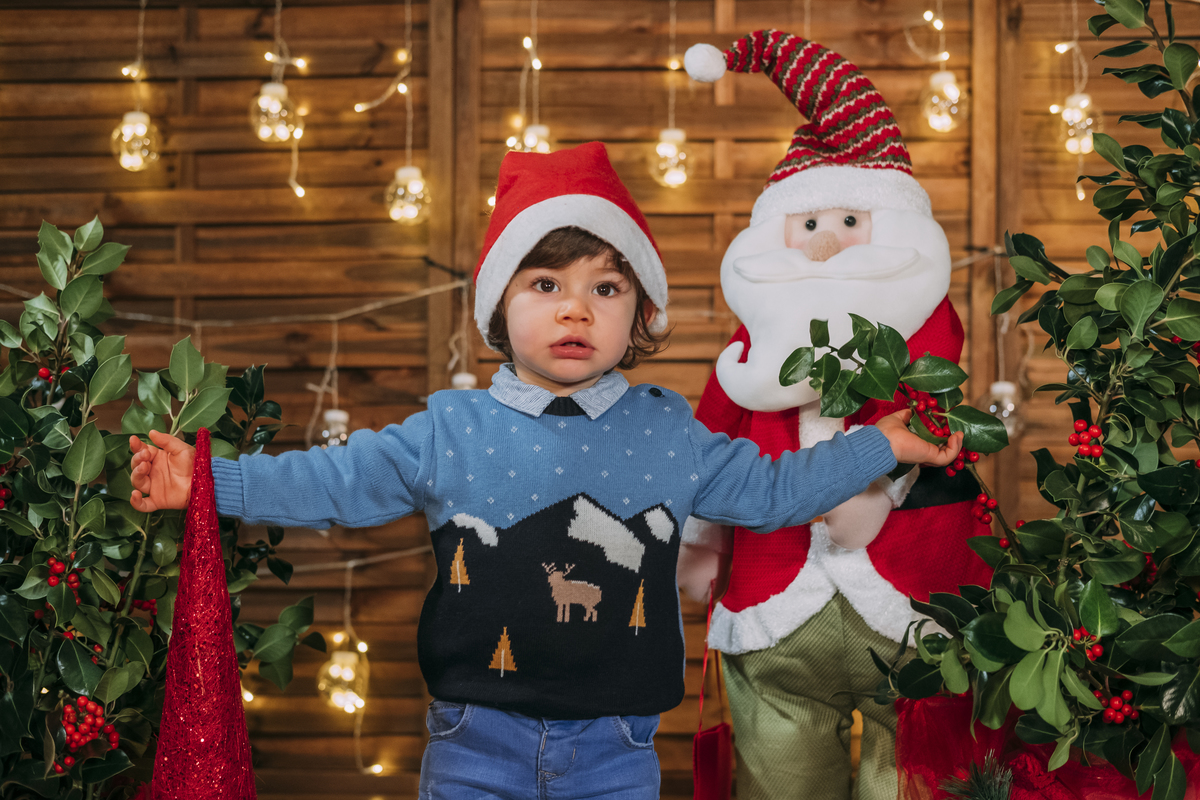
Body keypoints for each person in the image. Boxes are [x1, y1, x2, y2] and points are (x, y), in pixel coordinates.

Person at [128, 142, 962, 800]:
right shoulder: (449, 429)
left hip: (619, 749)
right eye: (545, 283)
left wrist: (878, 446)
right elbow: (333, 485)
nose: (576, 307)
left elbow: (775, 492)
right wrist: (208, 483)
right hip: (471, 740)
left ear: (638, 313)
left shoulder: (667, 428)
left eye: (606, 287)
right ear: (500, 306)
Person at [677, 32, 993, 800]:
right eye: (809, 225)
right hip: (772, 585)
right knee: (779, 771)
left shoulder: (928, 331)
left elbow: (935, 427)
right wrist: (698, 539)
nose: (825, 246)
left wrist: (878, 492)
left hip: (916, 590)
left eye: (851, 222)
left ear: (894, 229)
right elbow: (712, 442)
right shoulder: (749, 352)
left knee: (918, 773)